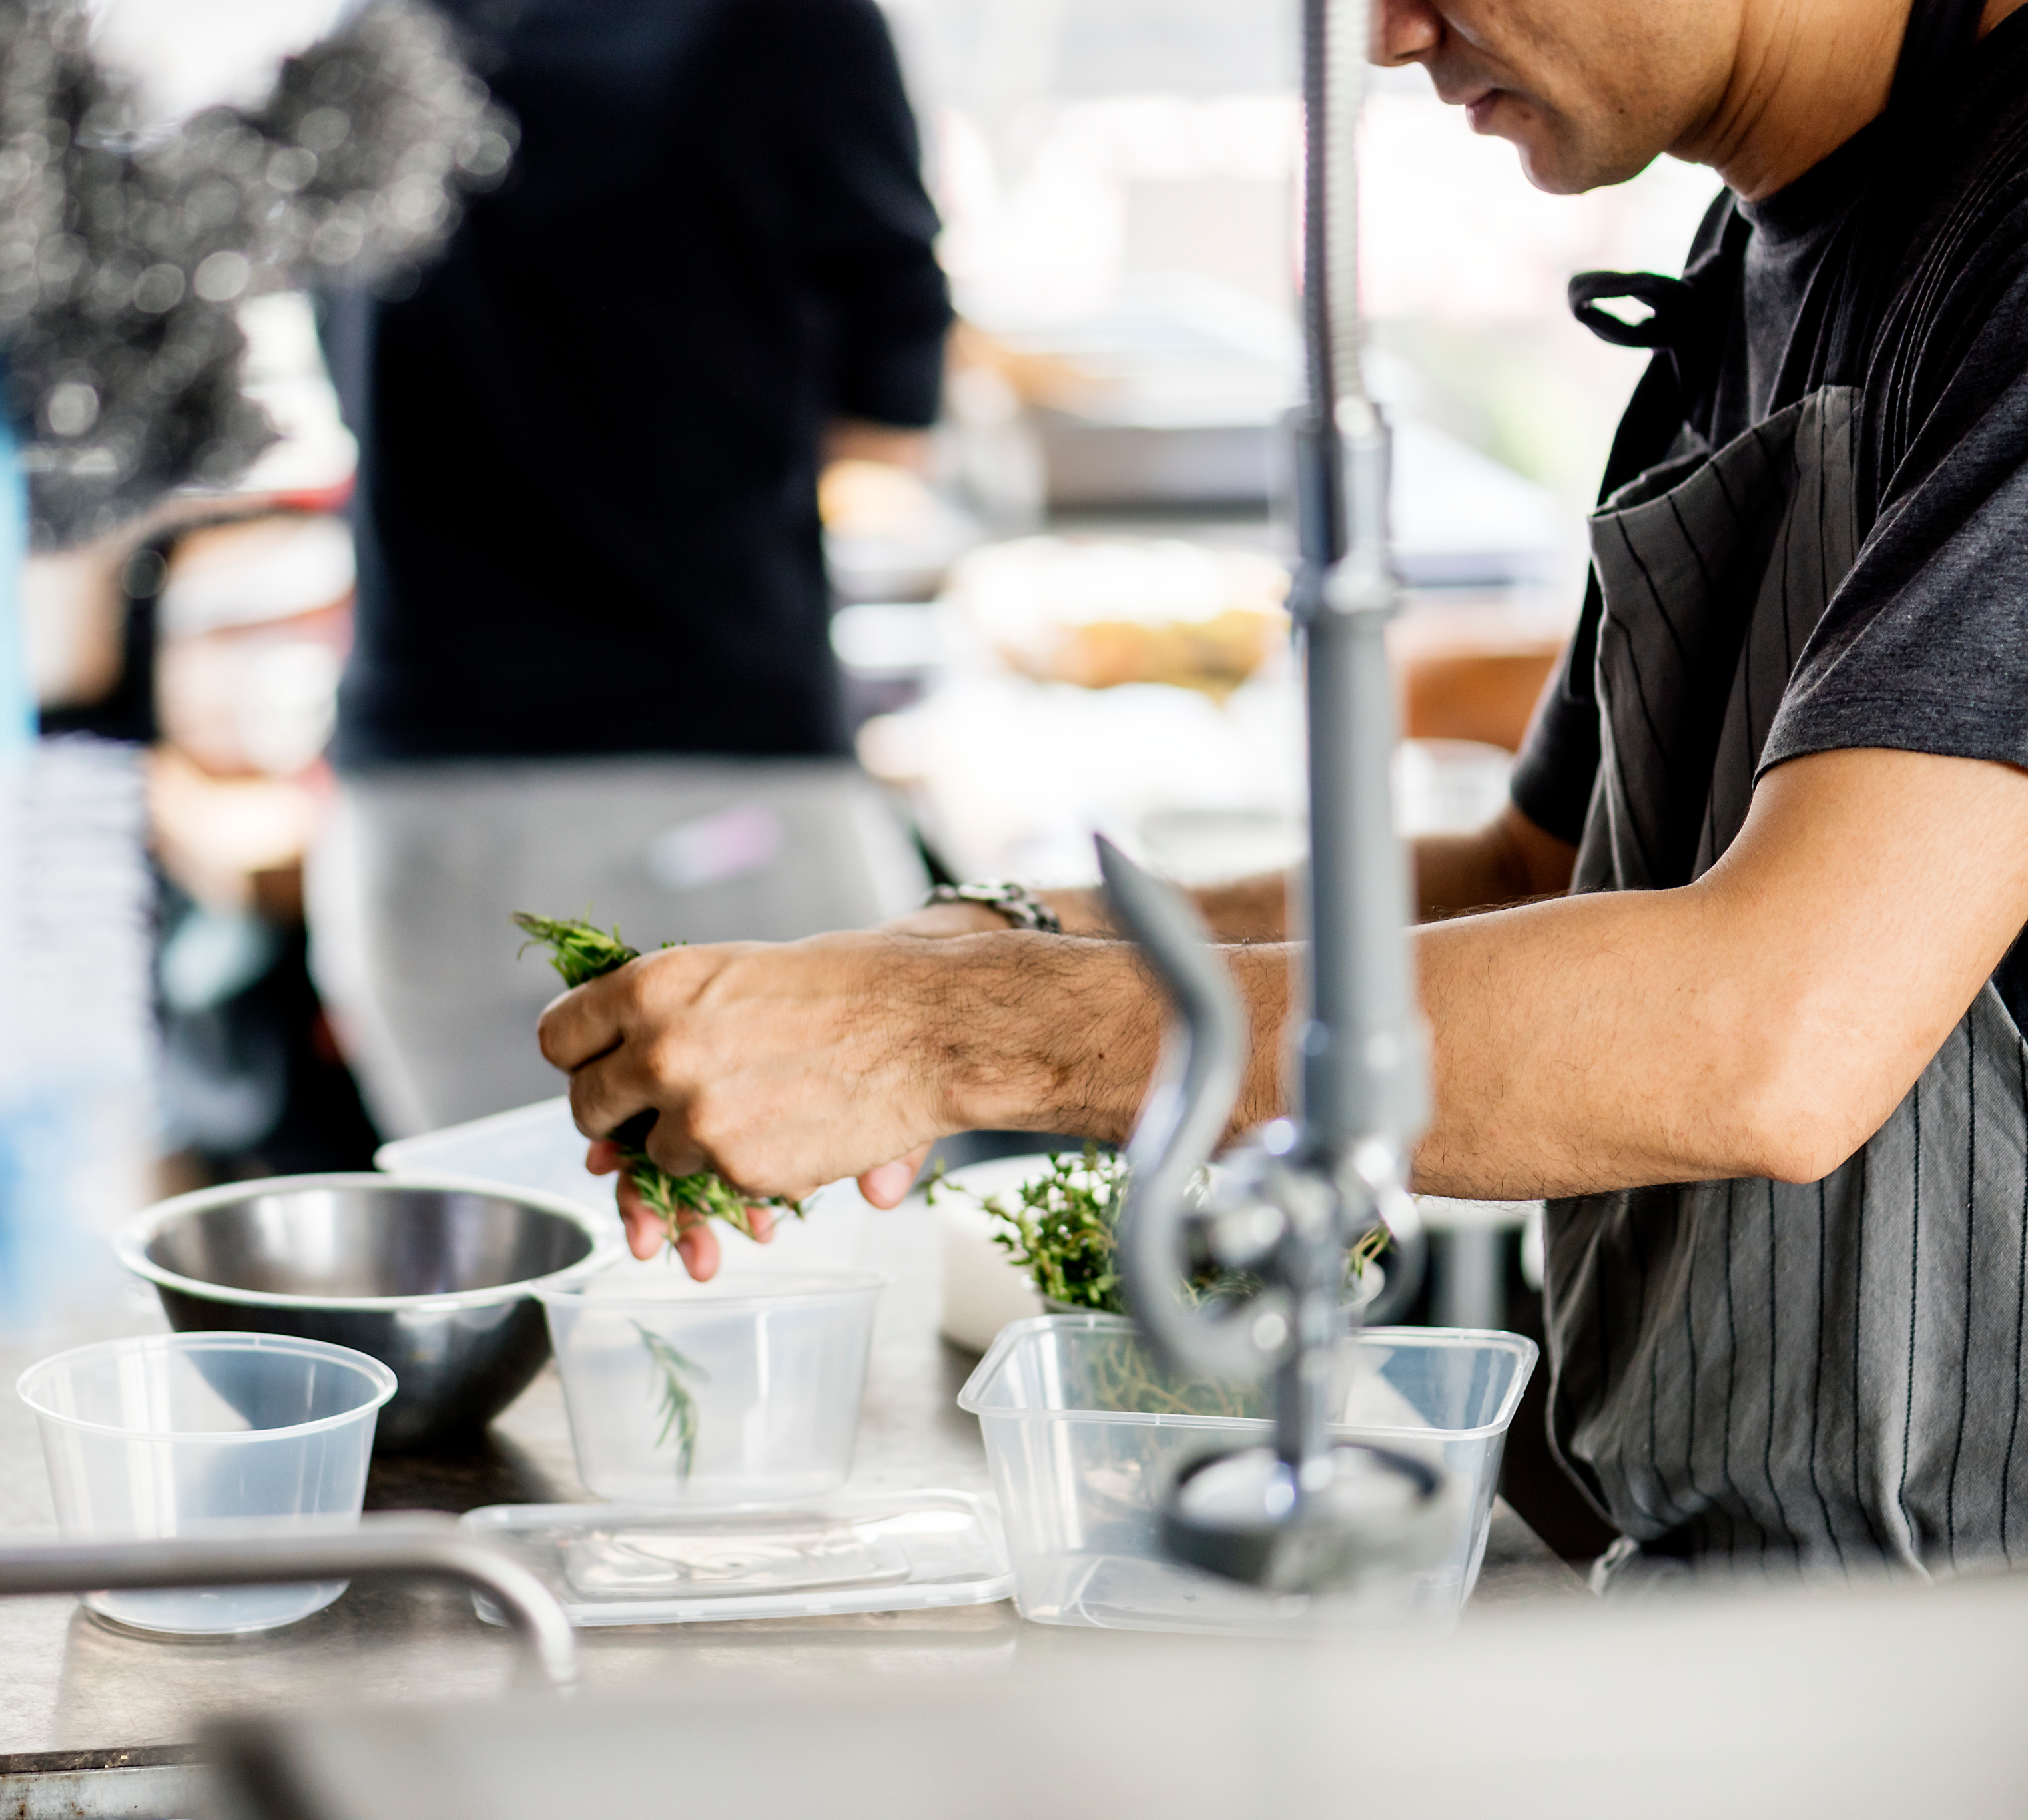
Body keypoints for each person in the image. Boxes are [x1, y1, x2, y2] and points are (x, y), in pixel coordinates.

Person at [540, 0, 2028, 1585]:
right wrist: (989, 937)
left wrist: (943, 1037)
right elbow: (1533, 867)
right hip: (1745, 1579)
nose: (1384, 34)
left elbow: (1773, 1030)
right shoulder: (1744, 267)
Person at [306, 0, 950, 1136]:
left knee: (498, 1239)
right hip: (718, 787)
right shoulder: (796, 26)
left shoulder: (360, 23)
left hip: (416, 817)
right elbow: (889, 415)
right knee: (828, 1239)